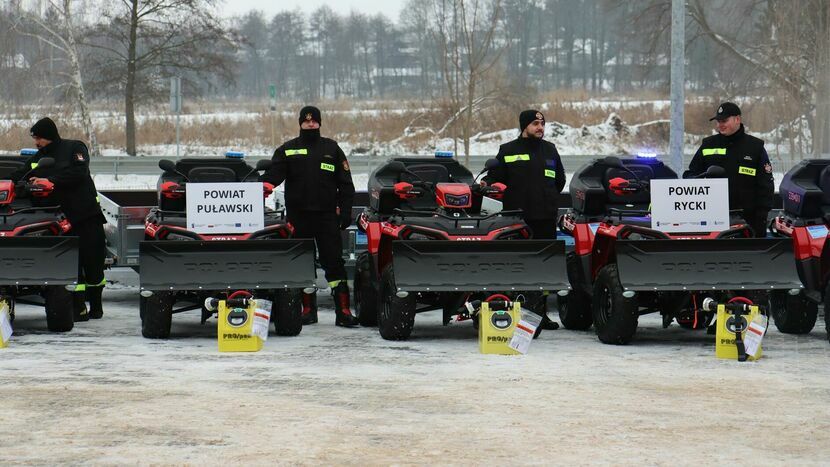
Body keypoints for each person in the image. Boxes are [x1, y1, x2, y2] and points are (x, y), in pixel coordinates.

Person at [263, 106, 358, 327]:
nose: (310, 124)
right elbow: (273, 175)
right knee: (302, 265)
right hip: (298, 218)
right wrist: (262, 186)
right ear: (300, 123)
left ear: (319, 123)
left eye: (314, 121)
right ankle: (307, 311)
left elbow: (346, 186)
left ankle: (343, 312)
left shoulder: (332, 149)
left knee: (334, 264)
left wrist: (345, 213)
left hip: (326, 218)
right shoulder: (288, 149)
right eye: (306, 121)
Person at [11, 118, 107, 321]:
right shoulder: (40, 156)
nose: (36, 142)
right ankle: (78, 309)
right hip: (60, 220)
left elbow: (79, 172)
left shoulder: (74, 147)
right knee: (71, 264)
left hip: (86, 215)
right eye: (35, 138)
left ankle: (96, 306)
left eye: (39, 138)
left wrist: (51, 180)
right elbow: (22, 173)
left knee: (93, 263)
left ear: (49, 136)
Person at [486, 109, 566, 330]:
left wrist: (546, 199)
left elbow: (559, 180)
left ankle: (540, 315)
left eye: (542, 123)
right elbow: (494, 179)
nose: (540, 127)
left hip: (545, 218)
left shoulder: (550, 149)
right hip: (516, 221)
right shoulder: (508, 150)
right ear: (524, 126)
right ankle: (514, 312)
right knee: (517, 265)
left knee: (542, 268)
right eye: (535, 123)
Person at [685, 102, 774, 237]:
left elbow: (766, 184)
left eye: (724, 120)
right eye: (718, 121)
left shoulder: (755, 147)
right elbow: (691, 175)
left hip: (748, 221)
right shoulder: (708, 144)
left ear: (737, 119)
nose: (720, 124)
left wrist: (761, 216)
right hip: (712, 219)